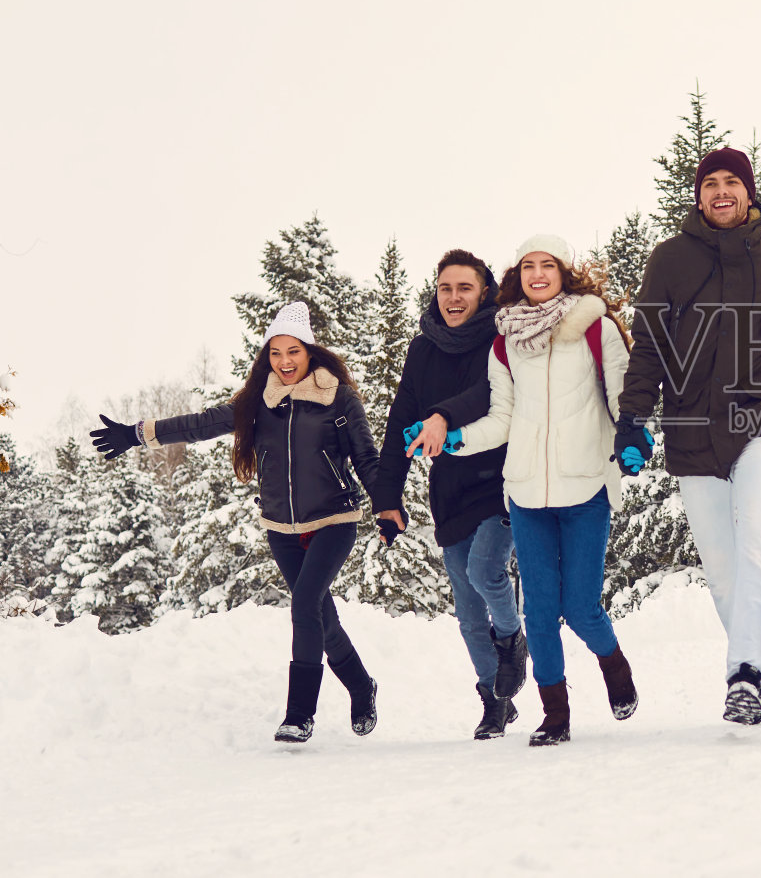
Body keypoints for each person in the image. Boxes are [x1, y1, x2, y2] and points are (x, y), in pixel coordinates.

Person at [90, 302, 382, 744]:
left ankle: (299, 714)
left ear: (310, 351)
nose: (284, 362)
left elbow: (365, 458)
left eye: (293, 352)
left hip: (334, 520)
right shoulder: (257, 403)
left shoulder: (337, 397)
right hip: (281, 528)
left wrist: (388, 503)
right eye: (276, 353)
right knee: (320, 616)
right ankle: (362, 686)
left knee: (304, 605)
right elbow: (201, 424)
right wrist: (137, 433)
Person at [616, 146, 761, 726]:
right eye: (710, 183)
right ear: (698, 195)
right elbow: (651, 345)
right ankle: (758, 653)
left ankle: (745, 675)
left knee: (755, 535)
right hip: (690, 429)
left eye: (732, 181)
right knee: (721, 565)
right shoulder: (670, 260)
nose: (721, 191)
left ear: (749, 192)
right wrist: (632, 418)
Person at [440, 234, 636, 747]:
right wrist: (457, 440)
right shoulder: (505, 341)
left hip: (586, 485)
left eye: (547, 264)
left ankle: (614, 667)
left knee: (583, 607)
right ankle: (555, 715)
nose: (536, 273)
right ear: (518, 277)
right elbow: (502, 417)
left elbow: (622, 399)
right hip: (526, 493)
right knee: (539, 612)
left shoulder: (596, 328)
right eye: (527, 266)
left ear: (564, 272)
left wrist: (634, 438)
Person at [370, 248, 526, 740]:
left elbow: (488, 394)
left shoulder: (503, 338)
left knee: (485, 569)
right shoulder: (423, 350)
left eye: (464, 288)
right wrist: (387, 497)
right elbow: (399, 422)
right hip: (450, 488)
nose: (454, 298)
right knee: (464, 604)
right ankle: (494, 699)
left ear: (484, 292)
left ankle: (512, 638)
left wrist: (442, 416)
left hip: (501, 481)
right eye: (445, 288)